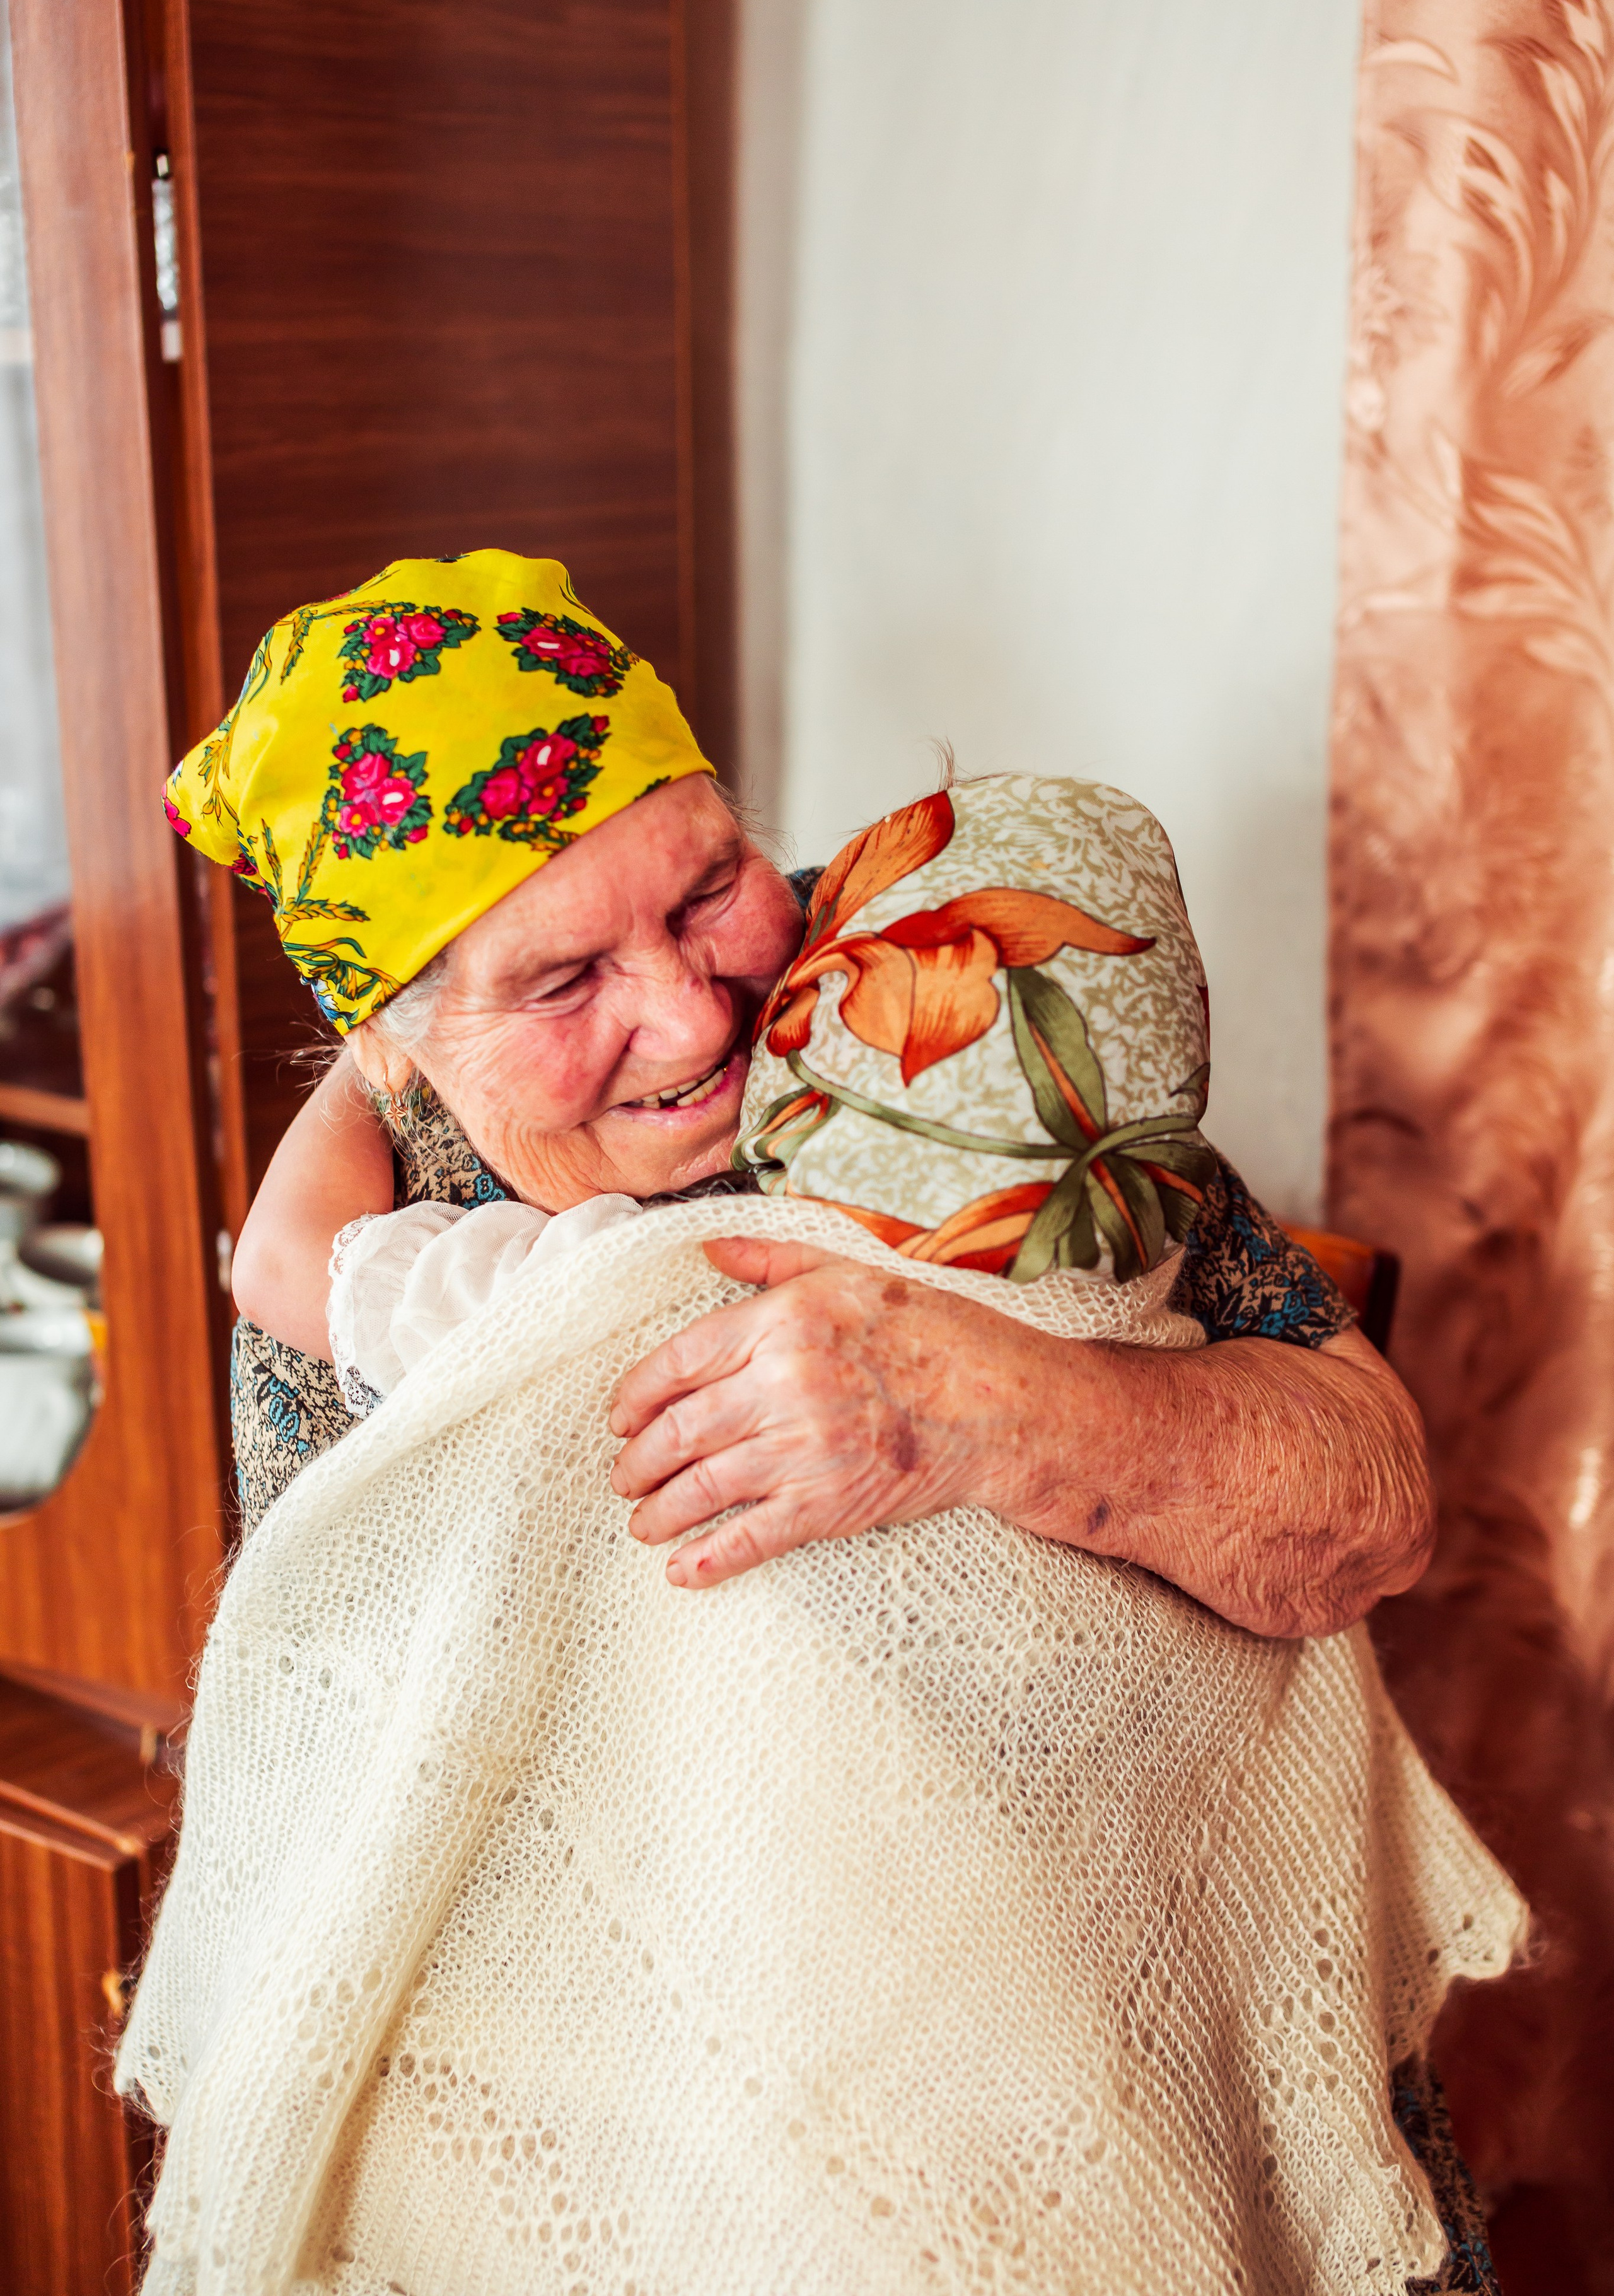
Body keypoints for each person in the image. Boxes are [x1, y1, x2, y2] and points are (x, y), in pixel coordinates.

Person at [155, 551, 1499, 2289]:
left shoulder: (920, 1027)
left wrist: (992, 1405)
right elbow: (368, 1848)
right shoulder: (380, 1249)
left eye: (710, 886)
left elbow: (1377, 1504)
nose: (700, 1012)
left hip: (1128, 2036)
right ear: (397, 1050)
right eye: (563, 986)